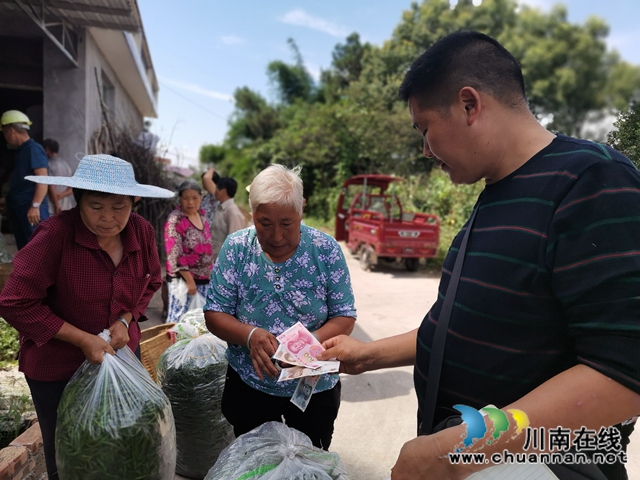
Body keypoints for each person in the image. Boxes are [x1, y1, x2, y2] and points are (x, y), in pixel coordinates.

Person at [317, 31, 640, 480]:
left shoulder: (592, 179)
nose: (425, 150)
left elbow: (622, 380)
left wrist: (458, 451)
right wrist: (367, 356)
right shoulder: (494, 194)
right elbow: (465, 324)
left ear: (470, 105)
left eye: (425, 129)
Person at [0, 154, 174, 480]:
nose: (108, 218)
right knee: (70, 451)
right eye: (96, 206)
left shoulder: (141, 232)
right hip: (58, 367)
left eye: (119, 206)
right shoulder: (55, 235)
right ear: (78, 199)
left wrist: (125, 319)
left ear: (133, 202)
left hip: (120, 355)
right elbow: (14, 301)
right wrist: (82, 339)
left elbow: (151, 280)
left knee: (128, 442)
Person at [204, 164, 357, 450]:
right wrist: (250, 336)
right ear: (251, 214)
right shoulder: (237, 248)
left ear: (302, 211)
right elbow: (214, 313)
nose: (275, 236)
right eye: (264, 223)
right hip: (250, 383)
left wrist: (306, 344)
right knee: (255, 459)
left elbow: (344, 315)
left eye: (287, 224)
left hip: (312, 386)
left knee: (310, 456)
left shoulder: (325, 249)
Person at [164, 179, 214, 323]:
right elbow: (175, 253)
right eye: (185, 198)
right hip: (184, 281)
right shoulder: (176, 220)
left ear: (201, 198)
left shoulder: (202, 215)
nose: (190, 202)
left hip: (204, 280)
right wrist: (190, 281)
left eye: (194, 198)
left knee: (198, 322)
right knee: (179, 320)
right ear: (180, 199)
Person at [0, 110, 49, 249]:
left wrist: (35, 206)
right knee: (26, 252)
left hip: (30, 211)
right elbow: (23, 184)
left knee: (38, 251)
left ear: (11, 131)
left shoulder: (33, 149)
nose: (5, 138)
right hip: (21, 209)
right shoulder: (22, 151)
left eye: (4, 133)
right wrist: (7, 200)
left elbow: (42, 178)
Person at [210, 176, 247, 260]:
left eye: (216, 189)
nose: (215, 192)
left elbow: (234, 242)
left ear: (223, 191)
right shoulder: (220, 208)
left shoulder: (232, 212)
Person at [42, 138, 76, 214]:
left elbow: (51, 186)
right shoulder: (66, 165)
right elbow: (73, 187)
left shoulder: (47, 164)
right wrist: (61, 195)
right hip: (66, 206)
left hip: (52, 207)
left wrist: (56, 204)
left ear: (47, 149)